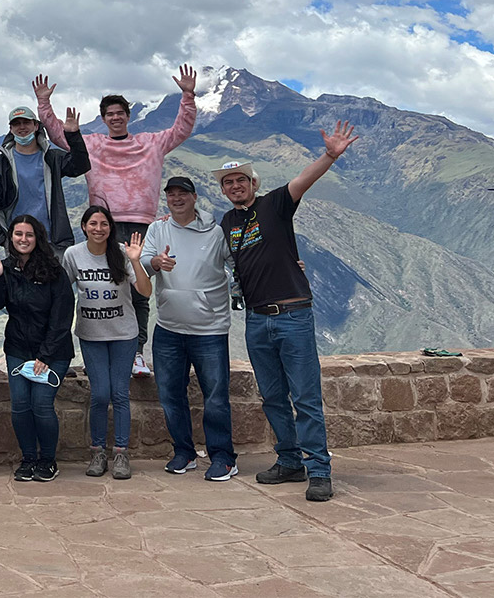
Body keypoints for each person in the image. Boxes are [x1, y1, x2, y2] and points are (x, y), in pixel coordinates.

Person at [215, 121, 359, 503]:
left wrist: (330, 155)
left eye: (240, 180)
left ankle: (319, 470)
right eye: (228, 183)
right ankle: (290, 460)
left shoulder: (275, 204)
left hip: (292, 315)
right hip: (257, 319)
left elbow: (303, 180)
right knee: (273, 397)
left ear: (253, 183)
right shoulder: (228, 222)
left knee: (306, 397)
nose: (234, 186)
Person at [36, 66, 197, 376]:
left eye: (120, 112)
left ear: (128, 116)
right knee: (98, 287)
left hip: (141, 226)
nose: (115, 117)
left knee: (138, 289)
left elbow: (181, 129)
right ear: (104, 118)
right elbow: (60, 133)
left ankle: (136, 352)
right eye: (109, 113)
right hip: (103, 226)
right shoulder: (93, 144)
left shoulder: (151, 142)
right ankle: (97, 348)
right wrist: (44, 104)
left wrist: (187, 96)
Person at [141, 177, 238, 481]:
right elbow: (143, 262)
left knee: (216, 397)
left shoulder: (216, 231)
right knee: (170, 395)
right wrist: (156, 261)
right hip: (169, 328)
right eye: (171, 194)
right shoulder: (158, 228)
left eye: (183, 193)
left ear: (195, 198)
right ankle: (183, 452)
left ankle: (223, 457)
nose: (177, 198)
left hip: (209, 330)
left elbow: (239, 261)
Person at [62, 205, 151, 481]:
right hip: (92, 334)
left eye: (104, 224)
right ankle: (98, 451)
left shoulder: (122, 255)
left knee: (120, 394)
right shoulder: (73, 255)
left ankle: (121, 453)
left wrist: (136, 260)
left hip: (124, 334)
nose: (98, 229)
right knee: (100, 394)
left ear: (110, 228)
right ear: (84, 226)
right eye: (93, 223)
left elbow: (145, 291)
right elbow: (62, 292)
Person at [0, 216, 75, 483]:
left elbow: (61, 318)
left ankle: (47, 460)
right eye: (18, 234)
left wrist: (44, 356)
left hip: (53, 351)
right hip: (17, 348)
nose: (23, 239)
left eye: (29, 235)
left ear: (38, 239)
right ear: (11, 237)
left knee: (41, 404)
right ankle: (28, 458)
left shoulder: (54, 271)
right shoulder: (7, 268)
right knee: (20, 406)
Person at [0, 104, 90, 250]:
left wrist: (73, 135)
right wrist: (2, 237)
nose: (22, 127)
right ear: (11, 129)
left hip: (52, 239)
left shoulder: (52, 158)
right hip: (18, 240)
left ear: (36, 126)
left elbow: (80, 166)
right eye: (16, 124)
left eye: (26, 122)